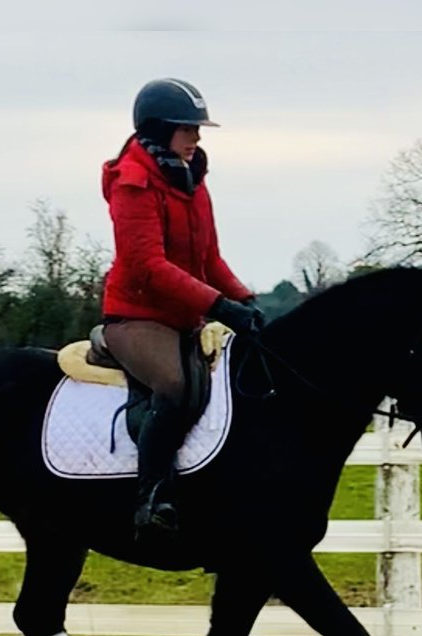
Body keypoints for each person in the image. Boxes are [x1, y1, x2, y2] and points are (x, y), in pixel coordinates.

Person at [100, 77, 262, 542]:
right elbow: (147, 266)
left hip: (184, 316)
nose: (197, 137)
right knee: (173, 385)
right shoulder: (133, 182)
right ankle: (150, 498)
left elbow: (209, 259)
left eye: (197, 129)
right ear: (158, 129)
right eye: (187, 129)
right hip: (135, 316)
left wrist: (245, 301)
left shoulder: (193, 180)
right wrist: (219, 306)